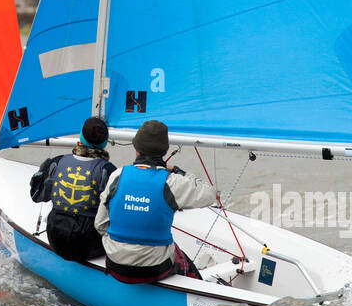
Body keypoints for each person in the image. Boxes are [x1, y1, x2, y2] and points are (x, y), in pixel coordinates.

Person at [95, 120, 216, 283]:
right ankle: (200, 295)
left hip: (116, 265)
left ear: (136, 148)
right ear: (164, 151)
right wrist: (177, 170)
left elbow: (100, 224)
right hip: (154, 269)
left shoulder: (117, 175)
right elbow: (210, 194)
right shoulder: (172, 182)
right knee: (182, 257)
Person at [30, 116, 116, 262]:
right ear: (105, 142)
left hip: (55, 239)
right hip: (89, 247)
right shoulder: (108, 171)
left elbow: (37, 196)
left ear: (80, 138)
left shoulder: (57, 162)